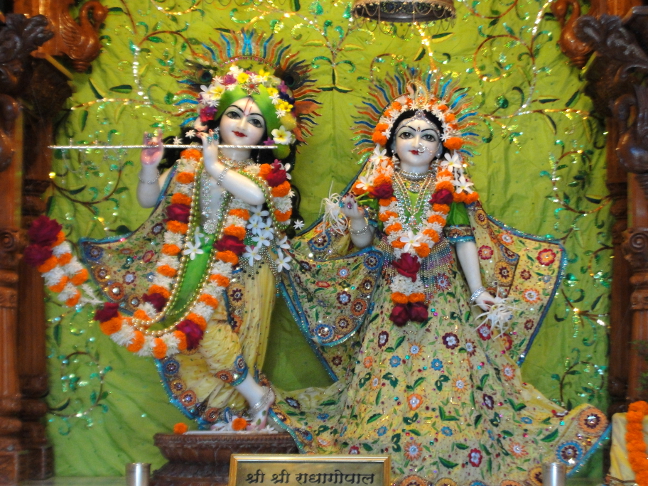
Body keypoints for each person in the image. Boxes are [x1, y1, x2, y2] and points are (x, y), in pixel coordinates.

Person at [271, 75, 608, 485]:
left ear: (442, 146)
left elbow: (464, 240)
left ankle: (452, 450)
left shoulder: (451, 186)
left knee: (450, 371)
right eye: (407, 133)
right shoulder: (377, 186)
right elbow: (363, 243)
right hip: (391, 291)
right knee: (386, 374)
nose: (417, 142)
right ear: (390, 142)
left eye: (428, 136)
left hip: (444, 292)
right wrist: (357, 219)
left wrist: (478, 291)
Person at [80, 62, 319, 429]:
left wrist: (214, 165)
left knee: (224, 333)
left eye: (255, 121)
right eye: (235, 114)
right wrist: (149, 167)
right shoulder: (190, 165)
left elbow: (255, 197)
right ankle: (243, 405)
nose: (242, 124)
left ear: (268, 135)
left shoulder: (262, 174)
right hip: (192, 264)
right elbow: (149, 199)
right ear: (216, 117)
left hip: (245, 269)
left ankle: (249, 403)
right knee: (196, 332)